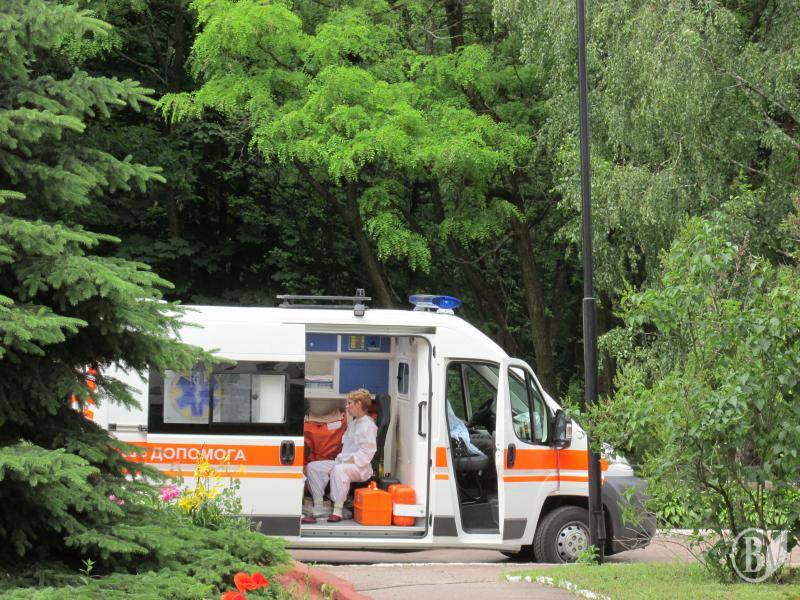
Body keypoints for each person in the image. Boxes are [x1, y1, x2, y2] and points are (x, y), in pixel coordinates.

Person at [303, 388, 378, 523]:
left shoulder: (368, 425)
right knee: (313, 467)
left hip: (360, 467)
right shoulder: (354, 424)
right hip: (343, 462)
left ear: (359, 404)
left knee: (338, 470)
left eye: (350, 403)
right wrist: (339, 462)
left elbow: (367, 454)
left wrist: (342, 463)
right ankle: (319, 505)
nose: (347, 406)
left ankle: (337, 511)